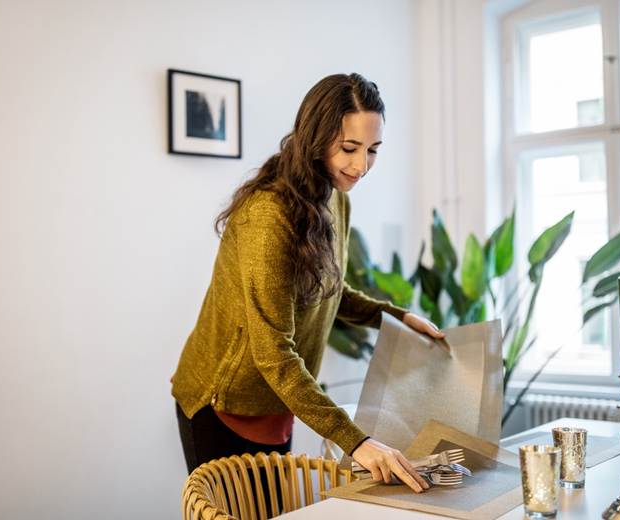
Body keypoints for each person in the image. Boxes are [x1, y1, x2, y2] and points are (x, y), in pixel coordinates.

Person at [171, 73, 445, 494]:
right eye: (349, 148)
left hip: (275, 404)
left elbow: (328, 291)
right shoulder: (269, 215)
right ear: (315, 139)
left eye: (373, 150)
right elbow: (273, 353)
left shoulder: (334, 196)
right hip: (223, 402)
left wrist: (396, 318)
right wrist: (356, 441)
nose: (361, 166)